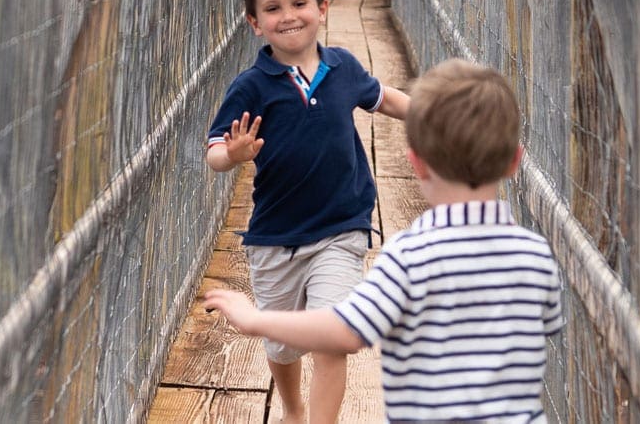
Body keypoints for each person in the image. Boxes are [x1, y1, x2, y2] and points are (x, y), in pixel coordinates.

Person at [206, 58, 565, 423]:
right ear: (514, 162)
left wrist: (256, 320)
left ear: (417, 163)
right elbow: (547, 323)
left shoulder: (408, 257)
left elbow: (345, 332)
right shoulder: (537, 256)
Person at [205, 0, 410, 424]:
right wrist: (231, 155)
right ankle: (293, 408)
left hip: (343, 226)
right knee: (282, 342)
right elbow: (215, 151)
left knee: (332, 333)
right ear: (254, 23)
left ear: (321, 8)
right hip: (276, 236)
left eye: (299, 4)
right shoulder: (252, 85)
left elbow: (387, 100)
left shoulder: (344, 69)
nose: (288, 16)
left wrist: (445, 114)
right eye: (272, 9)